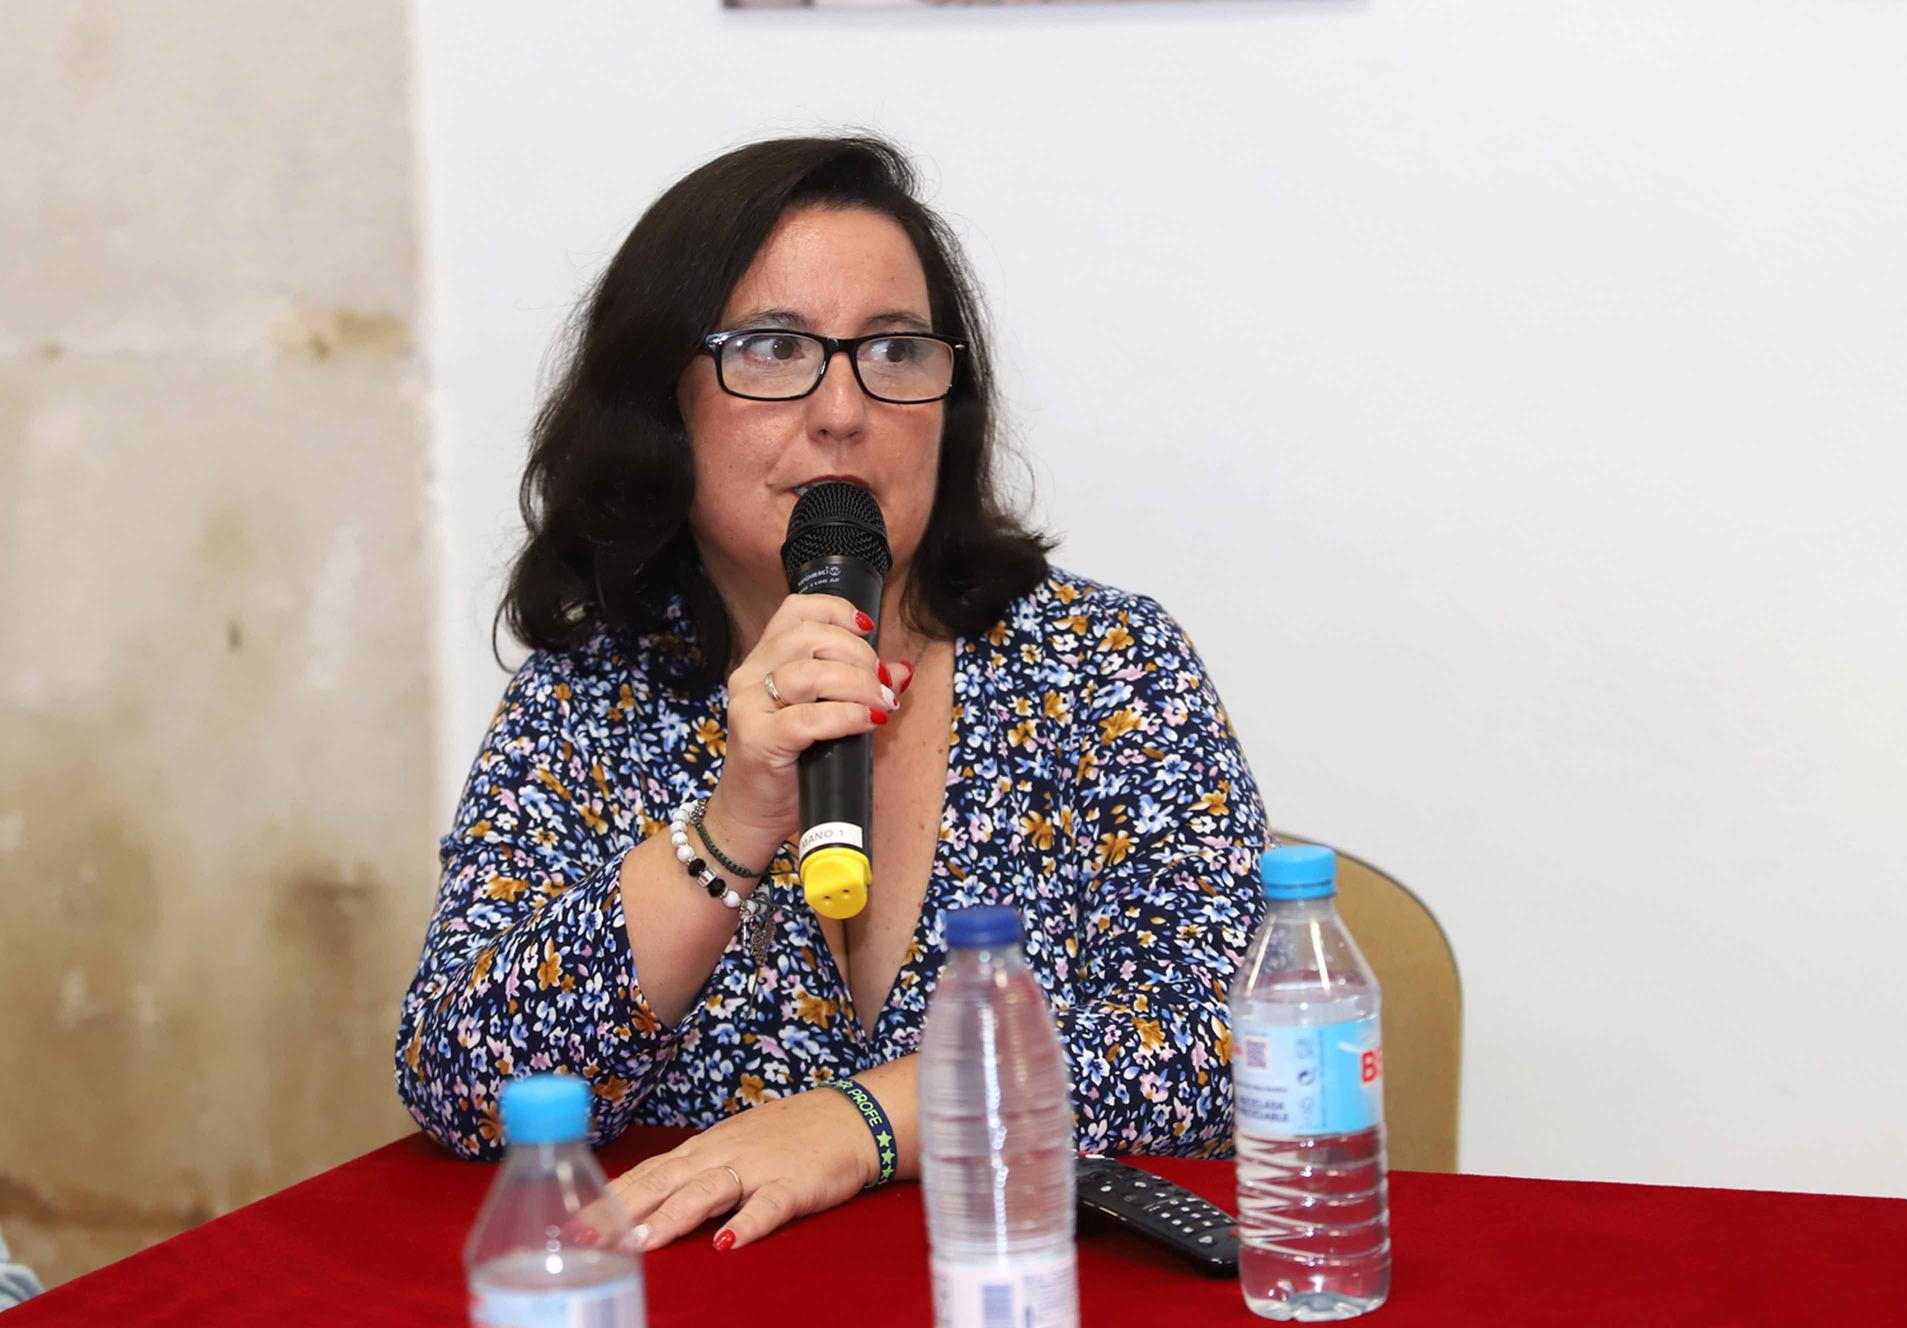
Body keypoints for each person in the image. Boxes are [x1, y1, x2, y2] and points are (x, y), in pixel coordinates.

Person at [396, 135, 1269, 1254]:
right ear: (660, 402)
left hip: (1037, 1326)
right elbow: (462, 1081)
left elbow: (1218, 1047)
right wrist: (730, 828)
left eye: (894, 352)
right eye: (773, 349)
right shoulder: (591, 701)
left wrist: (859, 1123)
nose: (844, 409)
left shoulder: (1103, 664)